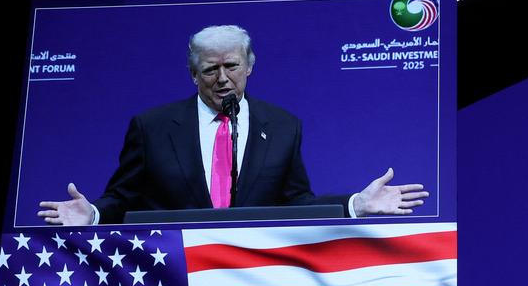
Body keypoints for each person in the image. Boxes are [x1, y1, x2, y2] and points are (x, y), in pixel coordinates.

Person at [38, 25, 428, 225]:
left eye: (232, 66)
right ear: (193, 74)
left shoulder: (283, 126)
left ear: (249, 67)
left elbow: (297, 203)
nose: (222, 78)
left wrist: (354, 205)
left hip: (249, 279)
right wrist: (93, 215)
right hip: (173, 277)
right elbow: (122, 198)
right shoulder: (152, 127)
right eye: (211, 69)